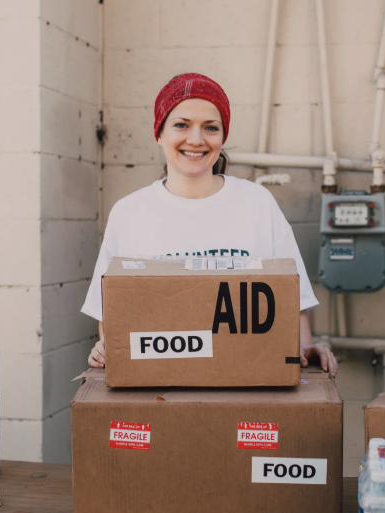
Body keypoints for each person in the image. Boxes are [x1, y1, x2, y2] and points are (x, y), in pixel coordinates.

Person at [82, 72, 337, 376]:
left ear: (222, 137)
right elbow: (110, 312)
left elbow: (293, 301)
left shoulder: (256, 203)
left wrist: (303, 352)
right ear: (159, 133)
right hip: (158, 388)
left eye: (210, 128)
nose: (196, 139)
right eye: (181, 125)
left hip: (245, 383)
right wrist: (109, 349)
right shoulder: (129, 212)